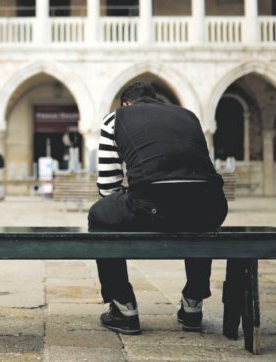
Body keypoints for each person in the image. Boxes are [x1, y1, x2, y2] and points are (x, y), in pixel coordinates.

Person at [89, 82, 228, 335]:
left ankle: (123, 305)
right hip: (211, 206)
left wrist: (130, 200)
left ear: (125, 104)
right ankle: (193, 303)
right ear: (156, 101)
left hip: (153, 205)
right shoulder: (188, 116)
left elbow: (108, 188)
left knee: (99, 215)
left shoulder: (115, 118)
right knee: (197, 213)